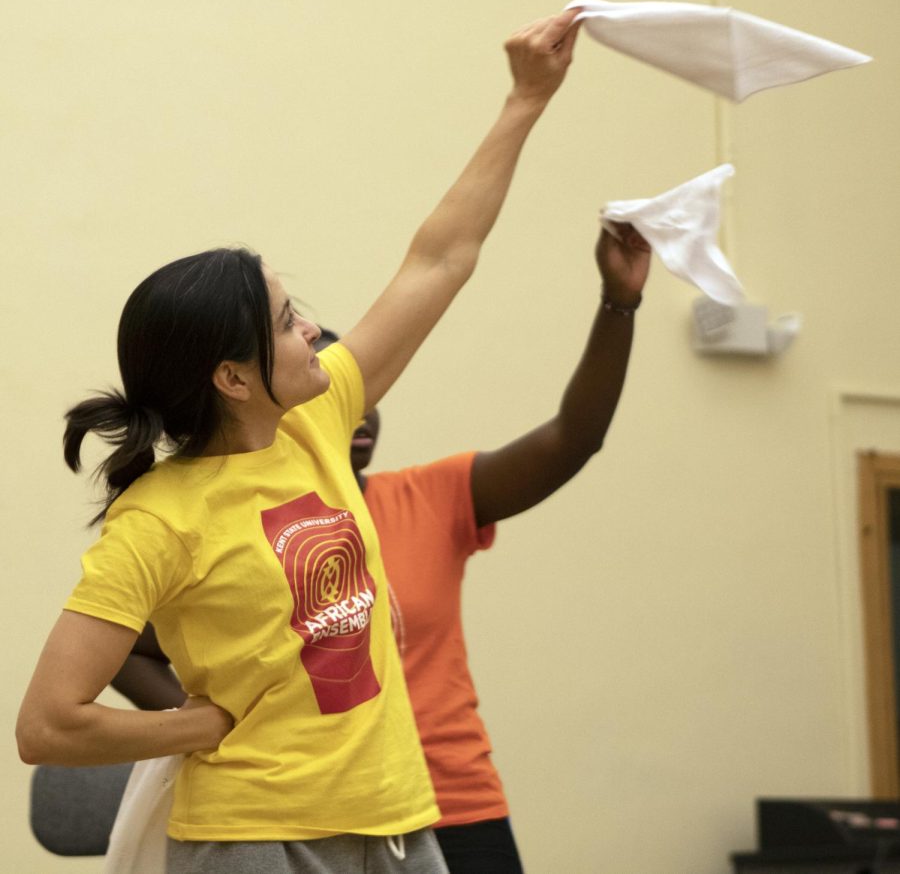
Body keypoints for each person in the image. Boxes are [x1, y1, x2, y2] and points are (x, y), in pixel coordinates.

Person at [16, 9, 580, 874]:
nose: (316, 331)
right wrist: (193, 725)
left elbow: (441, 259)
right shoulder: (158, 521)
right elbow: (47, 724)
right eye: (288, 323)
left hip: (396, 819)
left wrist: (524, 101)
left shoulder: (317, 419)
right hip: (256, 841)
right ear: (232, 379)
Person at [111, 222, 652, 873]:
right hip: (309, 810)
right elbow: (119, 657)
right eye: (336, 388)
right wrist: (210, 726)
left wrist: (619, 305)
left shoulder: (430, 498)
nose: (360, 414)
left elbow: (572, 438)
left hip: (448, 796)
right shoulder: (211, 520)